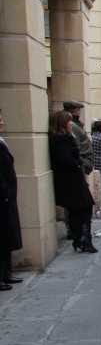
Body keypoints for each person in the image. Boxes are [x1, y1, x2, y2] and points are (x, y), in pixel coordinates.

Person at [48, 111, 97, 253]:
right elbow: (65, 159)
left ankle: (80, 239)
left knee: (77, 209)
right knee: (85, 206)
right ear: (63, 123)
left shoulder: (59, 138)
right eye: (69, 121)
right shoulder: (63, 139)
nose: (71, 124)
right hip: (72, 180)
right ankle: (83, 238)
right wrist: (78, 164)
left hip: (69, 180)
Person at [0, 107, 23, 290]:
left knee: (7, 236)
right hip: (3, 197)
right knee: (3, 237)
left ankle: (7, 273)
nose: (2, 122)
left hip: (7, 197)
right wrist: (5, 191)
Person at [63, 100, 93, 174]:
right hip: (81, 164)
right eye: (79, 109)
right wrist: (80, 164)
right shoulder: (73, 125)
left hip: (83, 163)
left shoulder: (75, 124)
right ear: (76, 110)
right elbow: (76, 146)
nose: (80, 112)